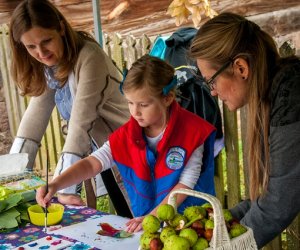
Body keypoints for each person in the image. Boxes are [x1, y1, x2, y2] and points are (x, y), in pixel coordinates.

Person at [36, 54, 216, 232]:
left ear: (167, 98)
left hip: (194, 224)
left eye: (143, 105)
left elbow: (186, 183)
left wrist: (153, 216)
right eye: (130, 102)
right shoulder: (128, 134)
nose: (135, 111)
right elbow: (92, 163)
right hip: (150, 226)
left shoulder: (193, 131)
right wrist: (56, 184)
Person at [190, 12, 300, 248]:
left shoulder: (292, 96)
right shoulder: (274, 89)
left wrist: (223, 247)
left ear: (240, 68)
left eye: (211, 81)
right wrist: (220, 220)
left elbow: (278, 205)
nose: (212, 92)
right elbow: (269, 196)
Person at [8, 0, 131, 212]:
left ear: (61, 28)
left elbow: (80, 124)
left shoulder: (90, 57)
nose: (41, 52)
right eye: (31, 47)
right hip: (100, 156)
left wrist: (62, 187)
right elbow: (35, 118)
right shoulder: (50, 65)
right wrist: (13, 176)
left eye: (46, 41)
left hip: (129, 148)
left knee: (137, 220)